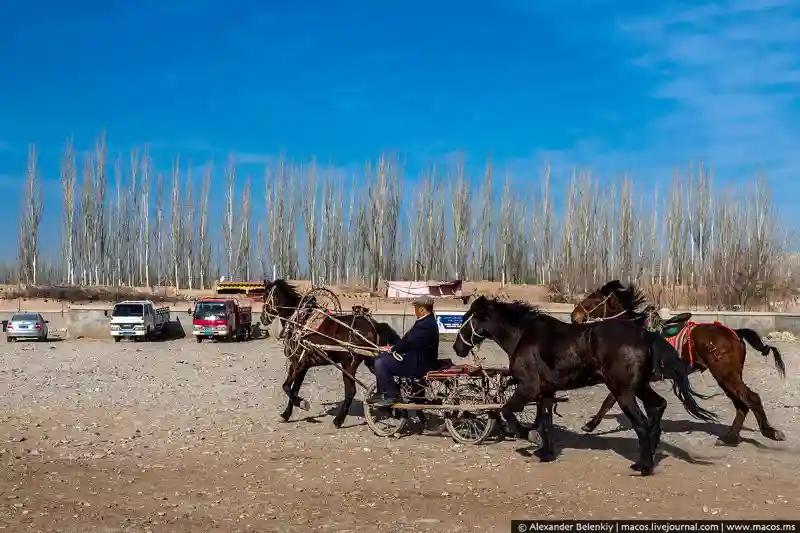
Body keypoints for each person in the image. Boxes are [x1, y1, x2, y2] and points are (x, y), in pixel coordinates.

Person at [366, 295, 440, 407]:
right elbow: (409, 340)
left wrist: (393, 348)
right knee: (382, 358)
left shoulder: (425, 324)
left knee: (380, 362)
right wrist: (394, 347)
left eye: (416, 308)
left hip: (419, 363)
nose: (415, 310)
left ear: (421, 309)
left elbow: (408, 340)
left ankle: (391, 395)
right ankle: (381, 392)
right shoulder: (428, 321)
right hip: (418, 358)